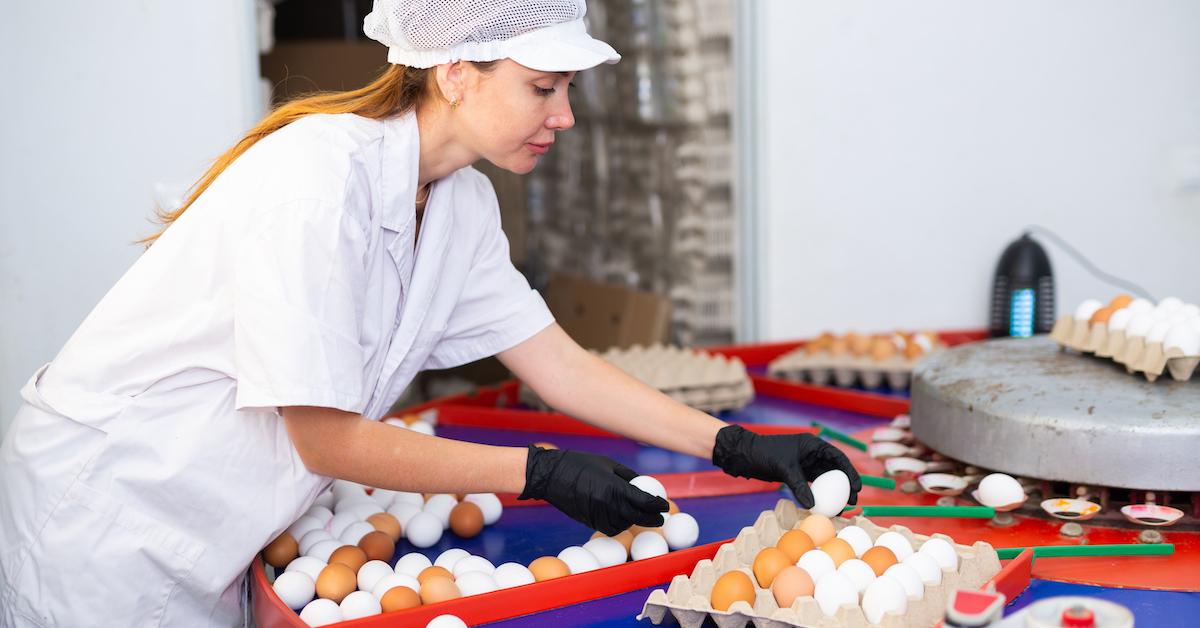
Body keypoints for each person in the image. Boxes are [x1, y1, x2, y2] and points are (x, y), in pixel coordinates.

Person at [0, 1, 860, 625]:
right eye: (542, 88)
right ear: (455, 72)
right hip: (116, 512)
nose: (562, 116)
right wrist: (539, 472)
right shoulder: (314, 182)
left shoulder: (460, 207)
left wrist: (736, 446)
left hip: (218, 518)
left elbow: (558, 363)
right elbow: (326, 438)